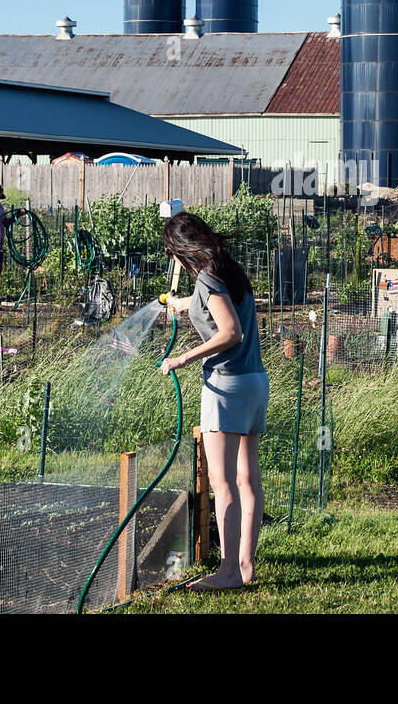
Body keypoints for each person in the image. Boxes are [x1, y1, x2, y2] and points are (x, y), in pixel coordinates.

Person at [159, 211, 269, 591]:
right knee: (247, 479)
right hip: (255, 381)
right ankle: (245, 565)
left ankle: (227, 573)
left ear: (179, 250)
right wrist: (183, 304)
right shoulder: (229, 273)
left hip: (226, 386)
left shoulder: (207, 279)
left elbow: (231, 331)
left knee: (222, 484)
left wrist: (183, 358)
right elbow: (217, 304)